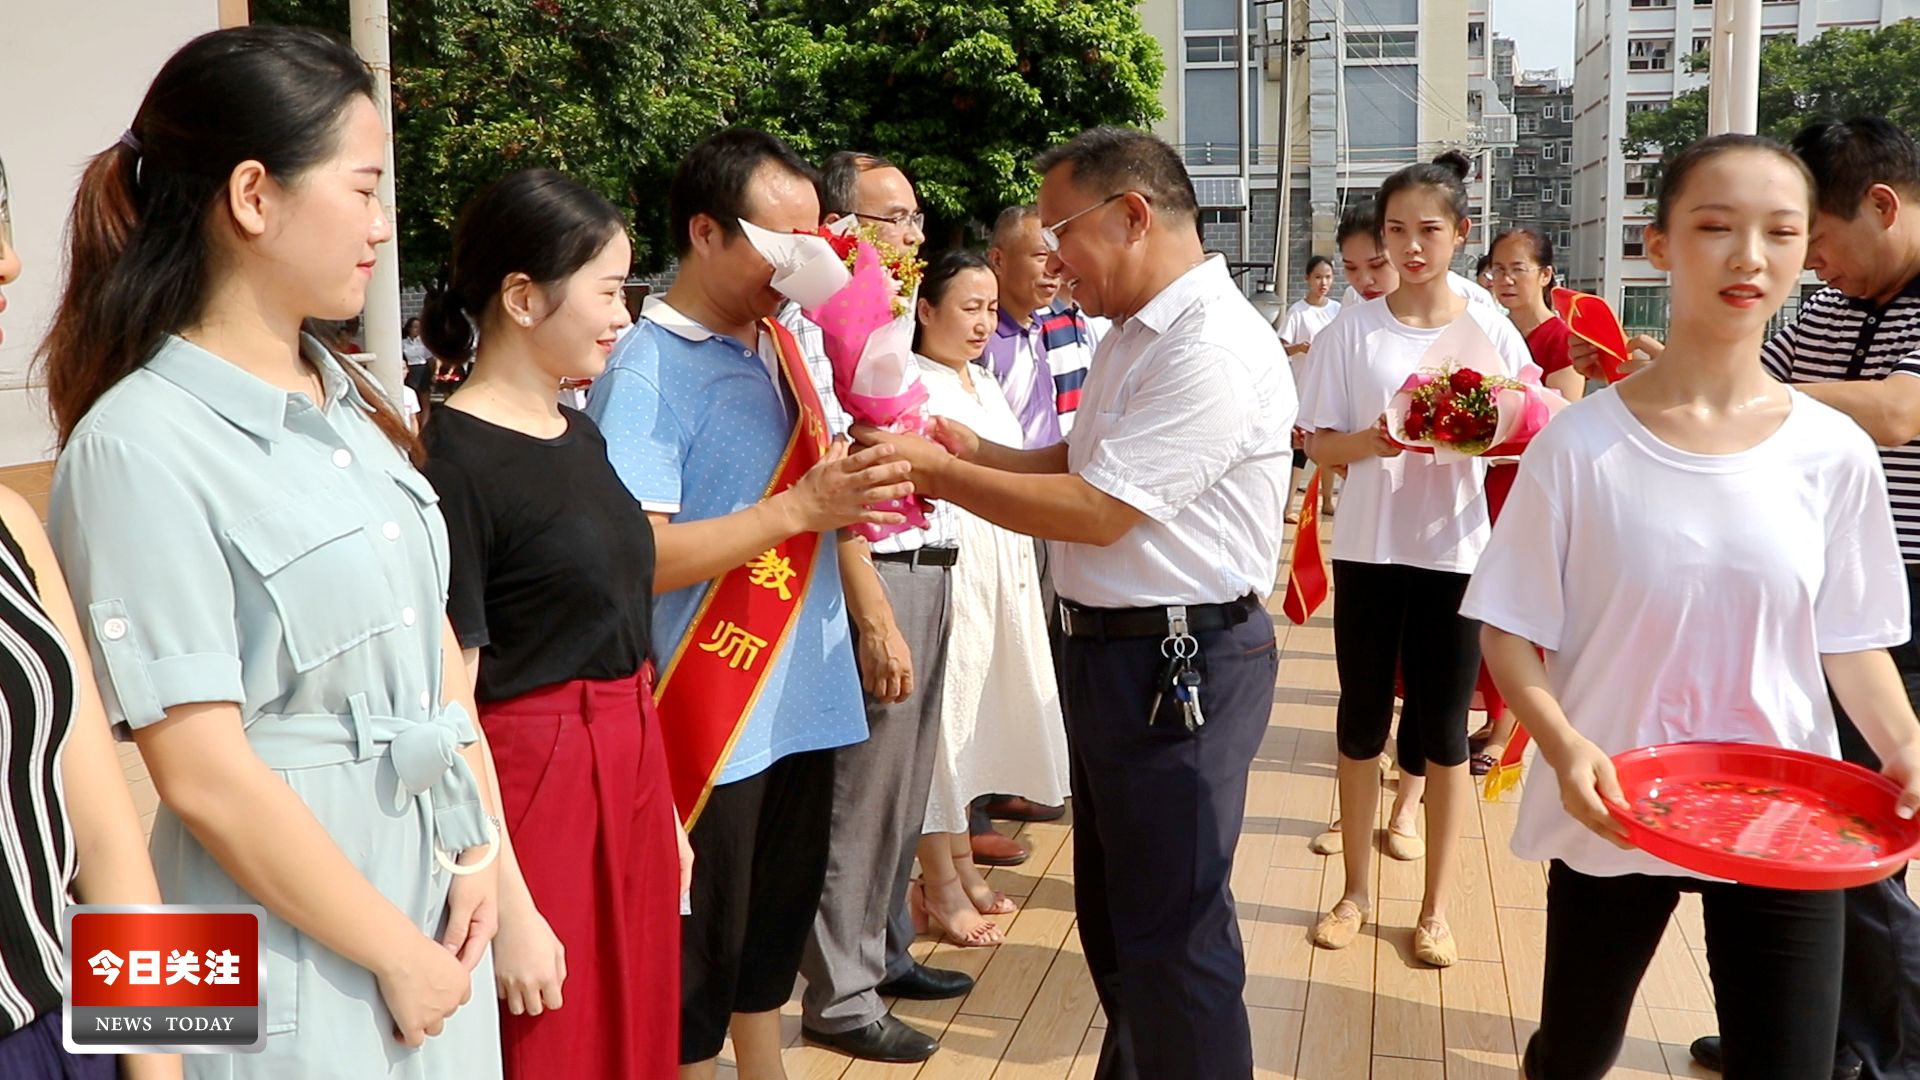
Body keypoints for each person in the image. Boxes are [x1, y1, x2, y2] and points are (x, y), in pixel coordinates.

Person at [38, 27, 510, 1077]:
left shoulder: (360, 403)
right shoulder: (132, 443)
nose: (385, 228)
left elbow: (432, 650)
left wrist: (482, 855)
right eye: (365, 187)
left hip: (429, 914)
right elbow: (196, 778)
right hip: (266, 960)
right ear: (255, 196)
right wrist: (395, 952)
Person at [1465, 132, 1920, 1080]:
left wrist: (1903, 742)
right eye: (1716, 227)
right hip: (1615, 801)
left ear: (1804, 252)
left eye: (1780, 232)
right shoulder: (1579, 448)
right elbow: (1510, 627)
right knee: (1575, 1051)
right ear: (1660, 243)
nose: (1748, 256)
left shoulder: (1832, 453)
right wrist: (1560, 741)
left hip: (1786, 809)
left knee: (1788, 1059)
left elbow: (1853, 643)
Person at [855, 125, 1294, 1080]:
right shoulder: (1137, 334)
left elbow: (1099, 510)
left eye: (1062, 229)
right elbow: (1079, 462)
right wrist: (970, 455)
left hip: (1177, 668)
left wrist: (938, 468)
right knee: (1120, 922)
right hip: (1117, 659)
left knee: (1175, 938)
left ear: (1132, 215)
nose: (1049, 256)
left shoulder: (1210, 346)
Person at [584, 127, 913, 1080]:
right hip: (712, 710)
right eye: (782, 247)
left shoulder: (784, 341)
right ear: (705, 233)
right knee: (702, 943)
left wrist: (869, 604)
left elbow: (818, 505)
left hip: (804, 698)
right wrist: (797, 507)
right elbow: (636, 556)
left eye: (816, 245)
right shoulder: (645, 368)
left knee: (772, 930)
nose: (803, 268)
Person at [1609, 118, 1920, 1080]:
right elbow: (1748, 387)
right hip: (1795, 603)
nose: (1803, 267)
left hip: (1890, 618)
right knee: (1774, 828)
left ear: (1880, 206)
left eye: (1803, 239)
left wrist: (1742, 397)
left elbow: (1901, 411)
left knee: (1854, 858)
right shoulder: (1833, 307)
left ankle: (1883, 1050)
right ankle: (1797, 1028)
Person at [416, 170, 686, 1080]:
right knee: (558, 1042)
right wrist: (510, 900)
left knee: (640, 1027)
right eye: (610, 292)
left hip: (632, 756)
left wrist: (667, 814)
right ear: (522, 297)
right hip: (535, 781)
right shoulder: (451, 462)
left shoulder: (582, 432)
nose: (624, 315)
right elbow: (459, 696)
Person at [1299, 152, 1533, 967]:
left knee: (1442, 732)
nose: (1409, 246)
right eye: (1396, 229)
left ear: (1460, 234)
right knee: (1361, 718)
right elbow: (1318, 443)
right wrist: (1377, 439)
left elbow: (1525, 423)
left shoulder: (1486, 325)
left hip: (1456, 553)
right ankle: (1356, 891)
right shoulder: (1351, 329)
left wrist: (1484, 432)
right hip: (1368, 548)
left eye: (1427, 229)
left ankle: (1435, 908)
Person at [777, 150, 975, 1067]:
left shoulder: (879, 313)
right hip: (872, 573)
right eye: (892, 218)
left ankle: (886, 947)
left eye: (915, 217)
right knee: (861, 791)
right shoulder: (817, 323)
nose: (912, 234)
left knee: (906, 779)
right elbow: (829, 472)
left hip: (927, 559)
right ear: (844, 227)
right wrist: (871, 613)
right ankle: (841, 993)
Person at [0, 152, 179, 1080]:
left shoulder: (11, 520)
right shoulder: (126, 447)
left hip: (66, 1029)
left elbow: (107, 841)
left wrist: (164, 1063)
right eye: (359, 189)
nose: (10, 265)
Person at [905, 250, 1070, 953]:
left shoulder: (985, 377)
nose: (982, 322)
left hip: (1001, 565)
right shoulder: (908, 380)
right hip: (950, 567)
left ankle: (964, 865)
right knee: (943, 723)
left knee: (974, 716)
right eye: (967, 307)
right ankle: (936, 881)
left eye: (988, 309)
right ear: (924, 310)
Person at [1468, 226, 1585, 777]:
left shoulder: (1560, 338)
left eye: (1519, 269)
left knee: (1516, 601)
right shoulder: (1486, 332)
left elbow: (1558, 415)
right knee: (1484, 596)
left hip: (1528, 481)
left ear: (1546, 275)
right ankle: (1494, 713)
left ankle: (1506, 724)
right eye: (1498, 269)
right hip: (1481, 479)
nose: (1506, 279)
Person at [982, 204, 1066, 453]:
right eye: (1041, 257)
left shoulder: (1038, 328)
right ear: (998, 260)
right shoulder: (980, 340)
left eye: (1058, 258)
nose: (1054, 270)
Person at [1279, 256, 1342, 524]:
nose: (1323, 283)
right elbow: (1280, 347)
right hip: (1304, 390)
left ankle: (1327, 501)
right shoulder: (1298, 312)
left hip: (1330, 390)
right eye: (1318, 277)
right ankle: (1288, 505)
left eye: (1327, 277)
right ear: (1307, 278)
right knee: (1301, 450)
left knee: (1329, 448)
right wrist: (1299, 347)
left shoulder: (1338, 310)